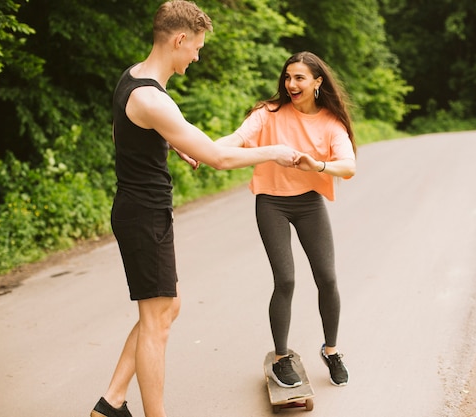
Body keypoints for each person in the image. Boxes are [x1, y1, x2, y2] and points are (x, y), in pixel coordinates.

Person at [90, 2, 302, 417]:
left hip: (140, 209)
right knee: (156, 322)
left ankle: (111, 402)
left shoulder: (132, 77)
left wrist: (168, 144)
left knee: (169, 306)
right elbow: (219, 159)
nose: (197, 56)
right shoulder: (153, 99)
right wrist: (275, 151)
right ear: (179, 39)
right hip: (144, 215)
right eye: (197, 47)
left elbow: (124, 131)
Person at [217, 51, 356, 388]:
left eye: (300, 78)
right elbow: (235, 140)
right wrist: (202, 148)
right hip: (272, 203)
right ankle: (281, 358)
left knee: (327, 278)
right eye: (288, 77)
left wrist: (317, 166)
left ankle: (332, 350)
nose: (291, 84)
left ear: (317, 82)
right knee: (286, 279)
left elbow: (348, 166)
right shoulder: (268, 113)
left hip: (309, 203)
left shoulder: (330, 123)